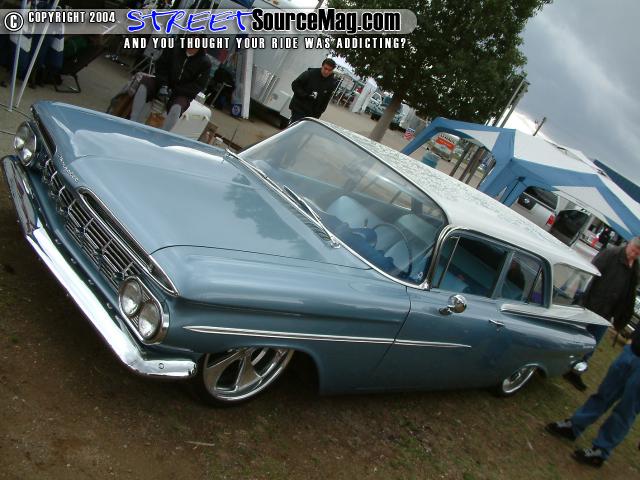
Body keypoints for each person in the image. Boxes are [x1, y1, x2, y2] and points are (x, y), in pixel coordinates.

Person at [546, 311, 640, 467]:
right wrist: (632, 340)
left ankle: (601, 451)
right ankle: (574, 427)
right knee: (603, 394)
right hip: (632, 352)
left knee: (626, 410)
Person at [564, 236, 640, 391]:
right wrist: (582, 300)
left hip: (607, 313)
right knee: (575, 335)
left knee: (592, 343)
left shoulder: (635, 268)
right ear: (629, 245)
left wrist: (622, 314)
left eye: (637, 253)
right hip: (591, 305)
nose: (634, 254)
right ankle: (562, 361)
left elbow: (629, 292)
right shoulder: (611, 254)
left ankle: (576, 370)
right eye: (633, 250)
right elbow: (591, 274)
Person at [130, 41, 212, 131]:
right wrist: (164, 85)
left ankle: (163, 135)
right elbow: (161, 66)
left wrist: (176, 91)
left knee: (177, 107)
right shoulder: (173, 48)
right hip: (162, 83)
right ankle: (132, 121)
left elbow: (198, 85)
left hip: (182, 93)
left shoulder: (205, 63)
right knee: (145, 84)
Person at [289, 58, 339, 124]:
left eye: (329, 70)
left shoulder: (331, 82)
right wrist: (305, 95)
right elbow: (295, 85)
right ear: (322, 66)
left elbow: (325, 100)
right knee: (296, 127)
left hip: (313, 114)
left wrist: (319, 113)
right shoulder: (310, 73)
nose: (326, 72)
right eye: (325, 68)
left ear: (332, 70)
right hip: (299, 108)